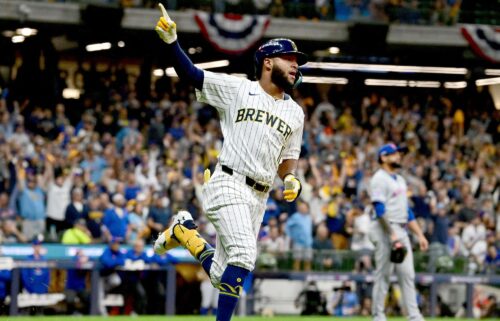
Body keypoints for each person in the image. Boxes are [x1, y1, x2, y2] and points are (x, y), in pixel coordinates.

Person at [153, 4, 306, 321]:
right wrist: (172, 44)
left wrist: (291, 179)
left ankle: (187, 235)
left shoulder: (295, 112)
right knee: (245, 255)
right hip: (228, 182)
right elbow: (193, 75)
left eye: (296, 62)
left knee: (225, 276)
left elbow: (288, 157)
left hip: (259, 197)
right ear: (267, 62)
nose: (295, 65)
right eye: (288, 59)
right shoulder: (239, 89)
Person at [368, 143, 429, 321]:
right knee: (384, 275)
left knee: (408, 274)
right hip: (384, 228)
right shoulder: (379, 178)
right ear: (383, 157)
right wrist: (392, 234)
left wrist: (420, 235)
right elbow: (379, 208)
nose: (398, 156)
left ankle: (414, 316)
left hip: (401, 228)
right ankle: (378, 315)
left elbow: (407, 211)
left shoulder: (400, 180)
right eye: (394, 154)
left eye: (399, 154)